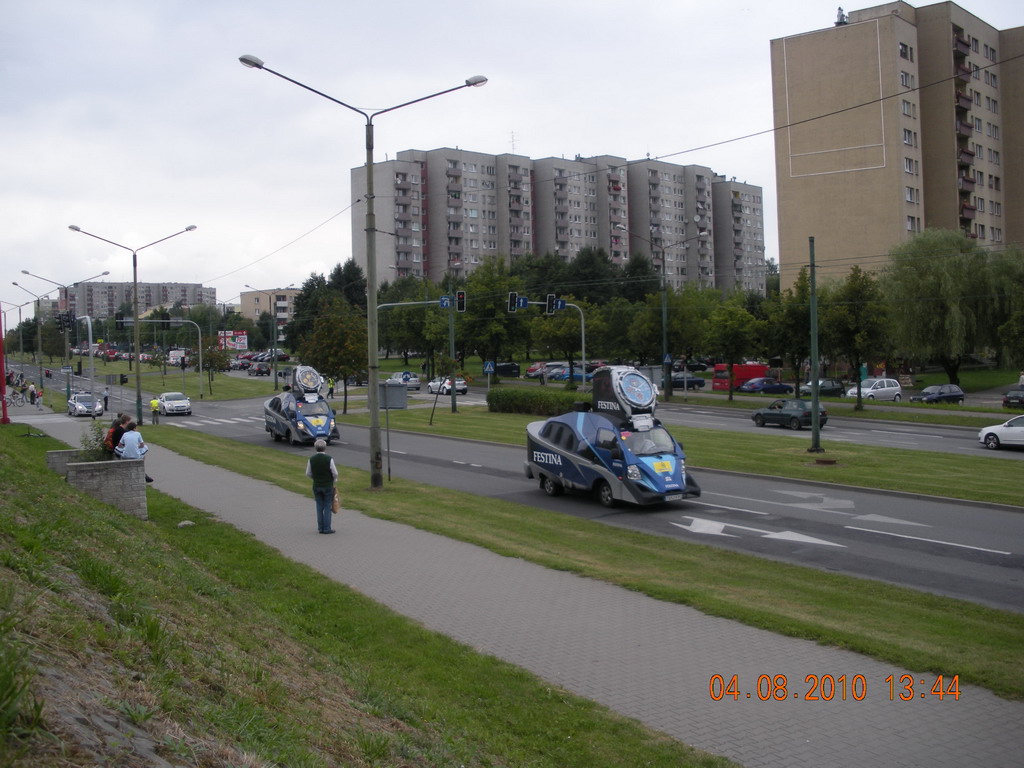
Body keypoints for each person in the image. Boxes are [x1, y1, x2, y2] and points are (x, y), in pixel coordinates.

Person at [305, 438, 338, 534]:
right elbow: (335, 473)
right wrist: (334, 480)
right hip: (327, 485)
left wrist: (315, 478)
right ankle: (327, 528)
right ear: (325, 448)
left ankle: (320, 528)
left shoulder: (311, 459)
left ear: (315, 448)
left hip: (316, 485)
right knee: (327, 506)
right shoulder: (329, 459)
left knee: (319, 506)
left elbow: (308, 473)